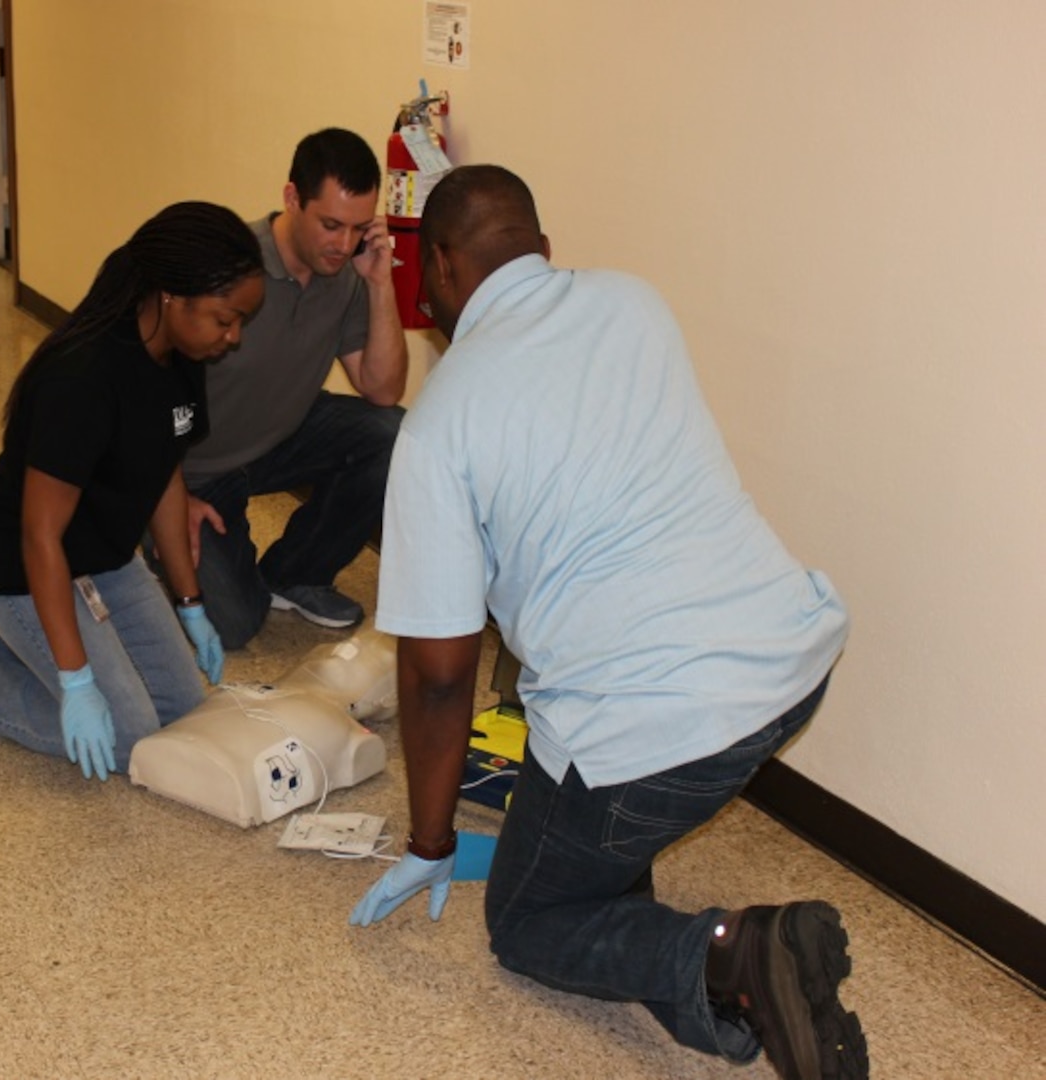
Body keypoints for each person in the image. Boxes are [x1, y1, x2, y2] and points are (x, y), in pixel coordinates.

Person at [350, 166, 867, 1080]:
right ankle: (740, 999)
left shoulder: (439, 425)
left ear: (432, 278)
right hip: (786, 668)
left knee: (526, 919)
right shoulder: (636, 303)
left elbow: (438, 675)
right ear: (544, 251)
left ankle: (736, 954)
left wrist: (431, 840)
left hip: (658, 732)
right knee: (590, 843)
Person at [0, 202, 265, 782]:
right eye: (224, 318)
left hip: (106, 557)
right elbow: (40, 535)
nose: (232, 337)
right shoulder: (82, 379)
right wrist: (76, 681)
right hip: (20, 563)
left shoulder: (182, 354)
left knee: (182, 714)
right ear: (171, 295)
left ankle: (22, 652)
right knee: (131, 738)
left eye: (239, 321)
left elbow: (164, 474)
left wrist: (191, 605)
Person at [174, 128, 409, 648]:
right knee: (234, 624)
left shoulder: (347, 272)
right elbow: (141, 396)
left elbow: (383, 390)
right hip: (194, 470)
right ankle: (155, 541)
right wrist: (168, 493)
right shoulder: (227, 265)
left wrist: (379, 284)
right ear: (290, 199)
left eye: (356, 229)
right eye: (330, 225)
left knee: (395, 434)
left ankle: (295, 574)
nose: (344, 245)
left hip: (280, 434)